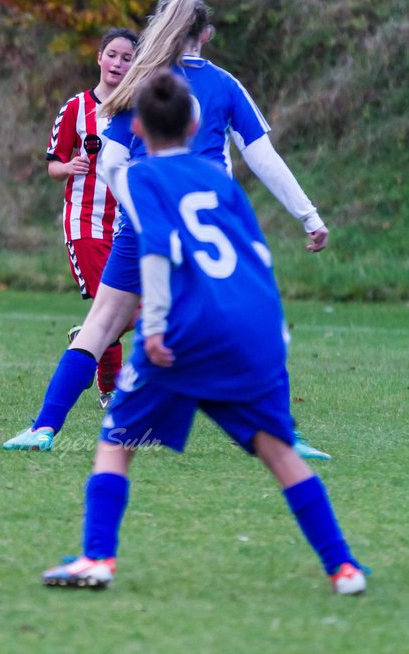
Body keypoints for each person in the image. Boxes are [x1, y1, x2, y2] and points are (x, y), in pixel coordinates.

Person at [40, 70, 365, 595]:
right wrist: (274, 334)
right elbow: (257, 258)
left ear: (138, 128)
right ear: (195, 123)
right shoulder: (222, 180)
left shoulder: (142, 179)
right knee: (279, 451)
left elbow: (158, 250)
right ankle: (343, 567)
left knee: (117, 441)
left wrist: (156, 325)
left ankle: (97, 558)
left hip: (184, 332)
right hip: (250, 333)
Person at [3, 0, 332, 458]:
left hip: (139, 231)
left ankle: (42, 427)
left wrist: (141, 209)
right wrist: (308, 215)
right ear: (206, 34)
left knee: (97, 327)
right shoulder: (223, 85)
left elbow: (113, 162)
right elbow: (263, 158)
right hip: (206, 232)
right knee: (245, 327)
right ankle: (285, 436)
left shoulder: (143, 83)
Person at [46, 27, 137, 408]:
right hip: (85, 222)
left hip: (129, 224)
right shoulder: (75, 108)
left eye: (126, 58)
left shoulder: (140, 108)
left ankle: (87, 334)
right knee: (108, 300)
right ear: (99, 57)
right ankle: (110, 389)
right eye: (112, 55)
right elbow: (52, 165)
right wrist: (68, 167)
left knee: (134, 306)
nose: (117, 63)